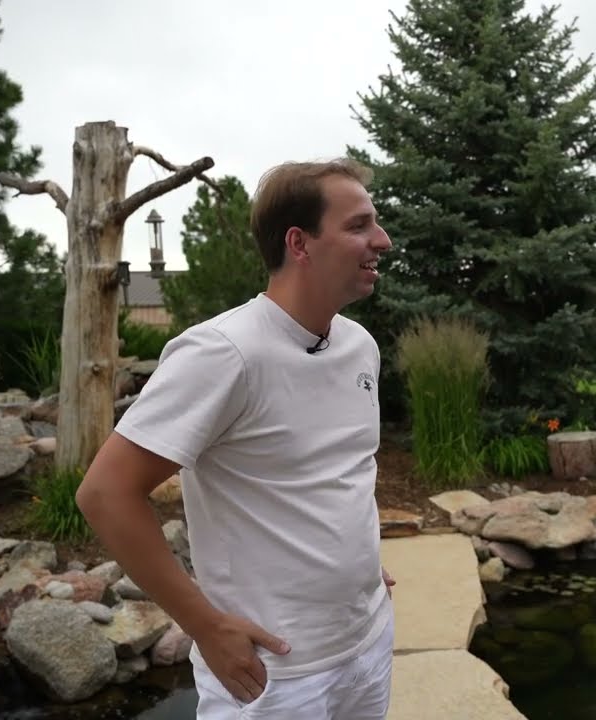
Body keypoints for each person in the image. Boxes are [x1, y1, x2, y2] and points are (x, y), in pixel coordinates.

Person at [76, 158, 397, 719]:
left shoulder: (358, 345)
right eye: (358, 225)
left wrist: (360, 564)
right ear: (299, 243)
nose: (383, 240)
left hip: (367, 644)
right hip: (274, 676)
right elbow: (105, 494)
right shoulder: (223, 353)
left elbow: (336, 473)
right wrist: (204, 625)